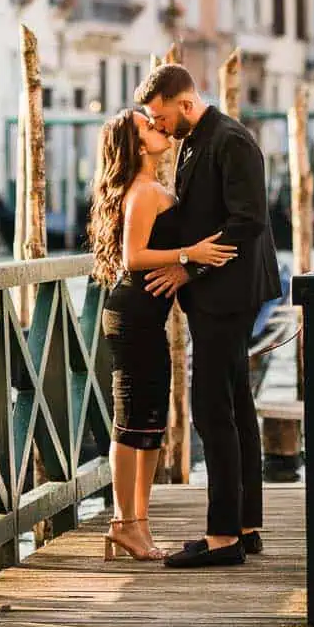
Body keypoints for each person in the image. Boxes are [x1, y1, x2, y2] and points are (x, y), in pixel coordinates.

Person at [137, 62, 282, 569]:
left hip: (229, 295)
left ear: (185, 102)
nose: (157, 125)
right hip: (220, 294)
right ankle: (246, 525)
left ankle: (223, 538)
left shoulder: (231, 141)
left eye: (160, 116)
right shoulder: (199, 139)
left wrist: (186, 269)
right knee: (238, 405)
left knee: (211, 410)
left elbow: (249, 221)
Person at [88, 107, 234, 562]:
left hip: (145, 316)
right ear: (135, 145)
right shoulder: (144, 191)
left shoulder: (150, 188)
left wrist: (184, 261)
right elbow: (133, 257)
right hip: (132, 315)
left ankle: (137, 525)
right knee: (130, 422)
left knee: (149, 421)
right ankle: (122, 522)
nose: (157, 127)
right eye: (146, 127)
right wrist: (191, 253)